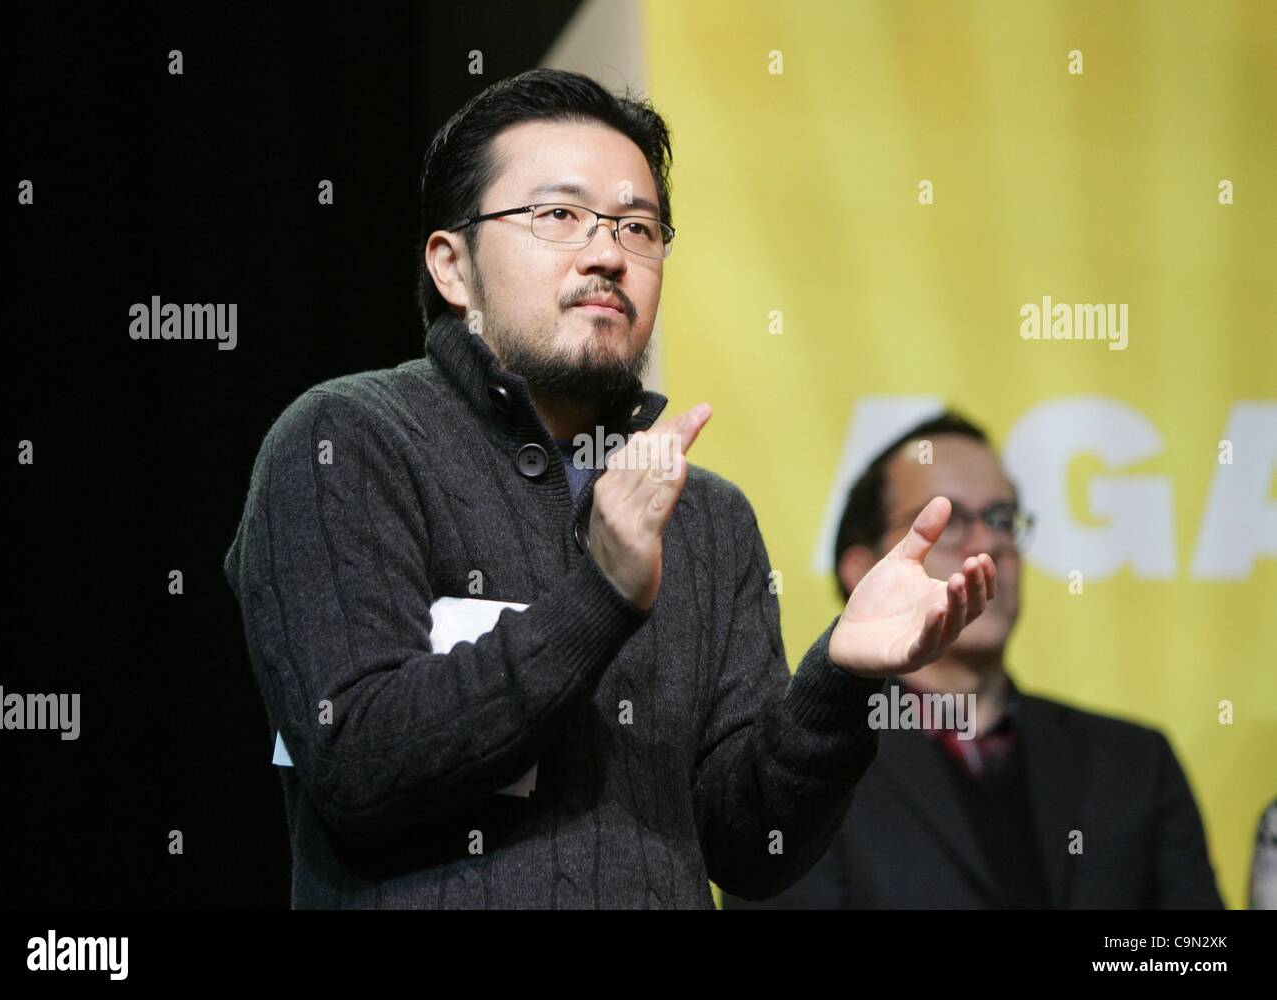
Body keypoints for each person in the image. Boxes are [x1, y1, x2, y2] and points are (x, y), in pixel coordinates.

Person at [222, 70, 996, 909]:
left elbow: (750, 849)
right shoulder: (346, 441)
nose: (607, 254)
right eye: (558, 216)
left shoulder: (707, 516)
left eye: (638, 227)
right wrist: (600, 595)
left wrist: (841, 678)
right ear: (452, 266)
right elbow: (359, 764)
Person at [723, 411, 1224, 909]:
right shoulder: (798, 774)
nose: (989, 544)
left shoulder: (1135, 762)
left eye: (1001, 519)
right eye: (951, 522)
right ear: (863, 571)